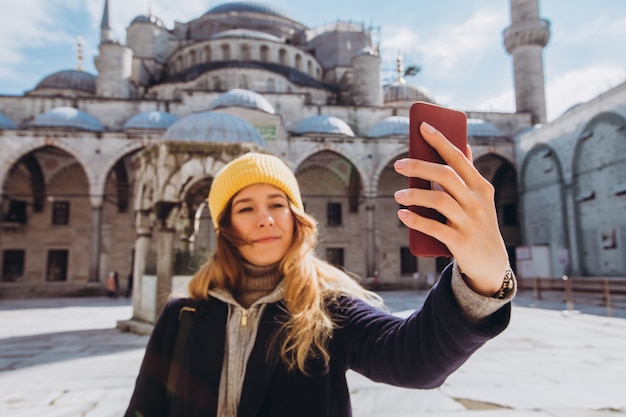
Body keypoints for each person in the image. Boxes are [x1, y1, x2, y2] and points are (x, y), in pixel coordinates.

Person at [124, 121, 516, 417]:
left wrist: (481, 279)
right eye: (246, 208)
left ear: (296, 217)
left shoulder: (326, 310)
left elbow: (413, 360)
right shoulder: (182, 315)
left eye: (277, 204)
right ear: (225, 228)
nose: (266, 219)